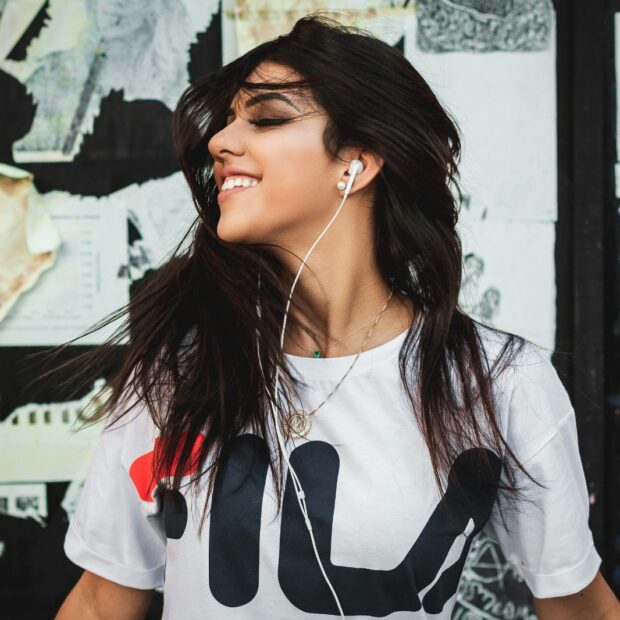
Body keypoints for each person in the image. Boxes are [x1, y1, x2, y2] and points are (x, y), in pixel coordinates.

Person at [54, 12, 619, 620]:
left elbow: (580, 608)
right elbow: (99, 604)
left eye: (266, 118)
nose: (219, 142)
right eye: (227, 121)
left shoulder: (499, 383)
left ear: (356, 162)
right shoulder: (180, 369)